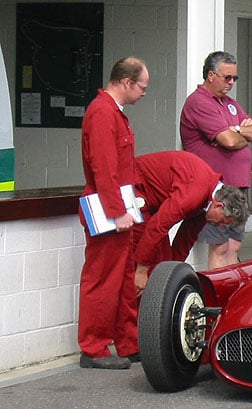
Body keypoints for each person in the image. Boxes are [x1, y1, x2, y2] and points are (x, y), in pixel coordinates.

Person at [78, 56, 149, 370]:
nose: (144, 93)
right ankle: (93, 348)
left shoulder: (113, 113)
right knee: (103, 280)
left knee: (122, 280)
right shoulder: (103, 113)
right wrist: (117, 211)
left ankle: (127, 342)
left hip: (119, 209)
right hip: (109, 212)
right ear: (127, 82)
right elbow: (103, 168)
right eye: (142, 87)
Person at [180, 51, 252, 269]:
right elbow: (228, 141)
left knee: (234, 246)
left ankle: (231, 292)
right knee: (219, 246)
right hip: (216, 188)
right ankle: (217, 296)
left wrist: (236, 129)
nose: (231, 83)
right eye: (227, 77)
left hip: (238, 185)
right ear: (210, 75)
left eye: (234, 78)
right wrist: (240, 133)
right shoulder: (199, 102)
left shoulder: (230, 103)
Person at [131, 151, 250, 296]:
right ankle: (141, 314)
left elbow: (185, 240)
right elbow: (157, 226)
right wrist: (141, 270)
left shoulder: (207, 204)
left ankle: (160, 306)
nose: (220, 226)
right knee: (153, 262)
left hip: (152, 196)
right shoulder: (192, 195)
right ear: (219, 205)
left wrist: (171, 275)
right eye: (223, 221)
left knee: (164, 262)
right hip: (134, 186)